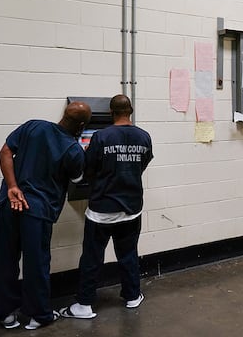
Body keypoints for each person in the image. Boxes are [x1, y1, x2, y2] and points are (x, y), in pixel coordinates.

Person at [0, 101, 92, 330]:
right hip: (37, 211)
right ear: (81, 127)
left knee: (4, 259)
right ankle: (39, 315)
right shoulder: (72, 149)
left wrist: (12, 186)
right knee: (36, 263)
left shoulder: (33, 126)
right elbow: (77, 179)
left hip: (9, 203)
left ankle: (6, 314)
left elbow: (5, 152)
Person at [61, 94, 153, 319]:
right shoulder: (144, 136)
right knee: (128, 254)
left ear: (111, 113)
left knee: (92, 257)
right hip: (131, 208)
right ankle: (132, 296)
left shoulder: (101, 136)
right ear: (130, 111)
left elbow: (88, 168)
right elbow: (143, 164)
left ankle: (84, 304)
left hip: (102, 209)